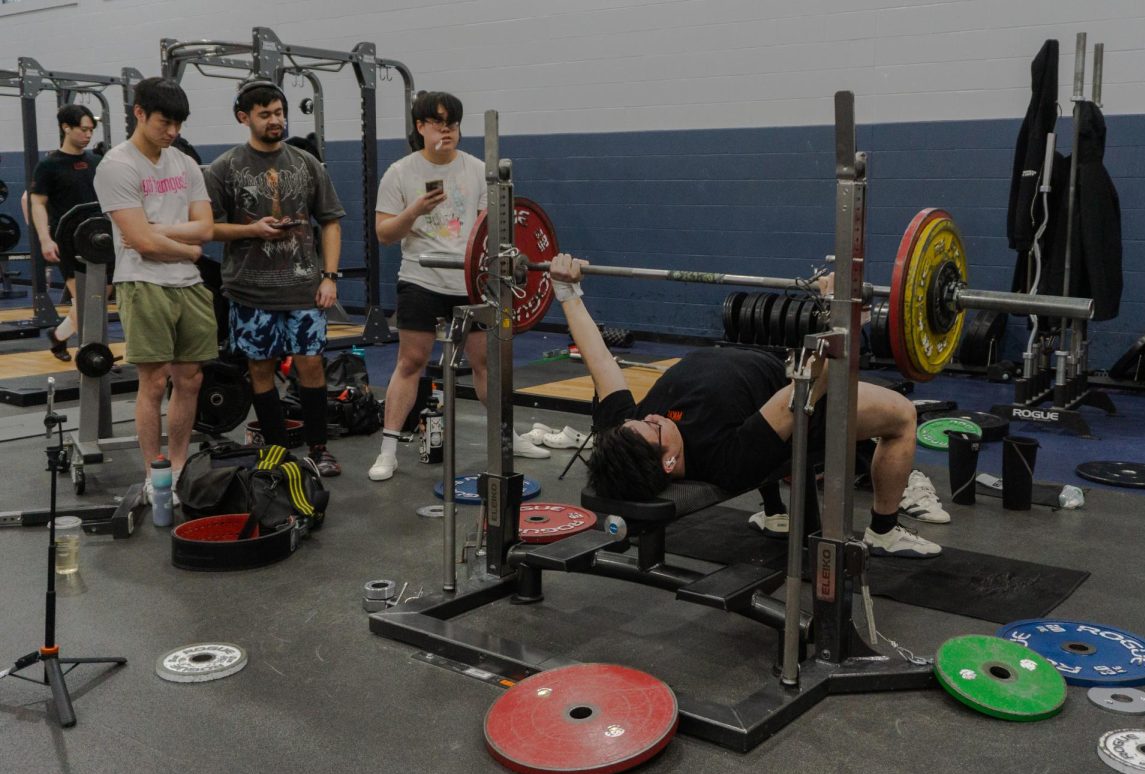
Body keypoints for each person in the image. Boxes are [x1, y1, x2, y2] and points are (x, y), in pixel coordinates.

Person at [548, 253, 944, 558]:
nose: (648, 416)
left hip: (751, 365)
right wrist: (841, 318)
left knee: (751, 413)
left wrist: (566, 290)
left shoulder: (623, 435)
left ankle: (774, 513)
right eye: (653, 427)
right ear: (668, 462)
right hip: (797, 392)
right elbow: (805, 389)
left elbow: (599, 360)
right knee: (903, 417)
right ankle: (884, 530)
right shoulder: (726, 458)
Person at [370, 90, 545, 481]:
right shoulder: (400, 173)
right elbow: (384, 234)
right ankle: (388, 449)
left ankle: (507, 437)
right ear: (421, 127)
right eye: (437, 122)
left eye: (452, 122)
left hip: (471, 279)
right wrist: (416, 209)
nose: (446, 129)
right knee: (410, 362)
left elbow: (490, 229)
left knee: (486, 363)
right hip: (421, 277)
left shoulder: (477, 170)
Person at [204, 80, 346, 477]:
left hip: (303, 287)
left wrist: (329, 276)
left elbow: (331, 221)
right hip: (250, 290)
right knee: (261, 370)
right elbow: (206, 228)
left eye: (279, 113)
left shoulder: (306, 163)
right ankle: (278, 452)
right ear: (243, 117)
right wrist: (252, 230)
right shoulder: (225, 168)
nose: (275, 121)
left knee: (311, 365)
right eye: (265, 114)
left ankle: (318, 450)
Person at [93, 77, 216, 501]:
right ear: (139, 112)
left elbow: (206, 227)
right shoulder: (116, 166)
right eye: (165, 122)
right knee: (154, 381)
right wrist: (191, 251)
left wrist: (166, 236)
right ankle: (153, 473)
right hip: (143, 284)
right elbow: (141, 243)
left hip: (189, 287)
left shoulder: (183, 163)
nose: (173, 132)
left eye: (179, 124)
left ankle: (178, 466)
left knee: (191, 379)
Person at [27, 104, 103, 361]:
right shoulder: (49, 166)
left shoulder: (96, 161)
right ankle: (92, 357)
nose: (88, 135)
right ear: (66, 127)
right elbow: (36, 202)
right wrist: (45, 239)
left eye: (91, 130)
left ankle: (58, 336)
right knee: (88, 302)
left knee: (97, 300)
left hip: (100, 240)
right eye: (83, 129)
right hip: (69, 242)